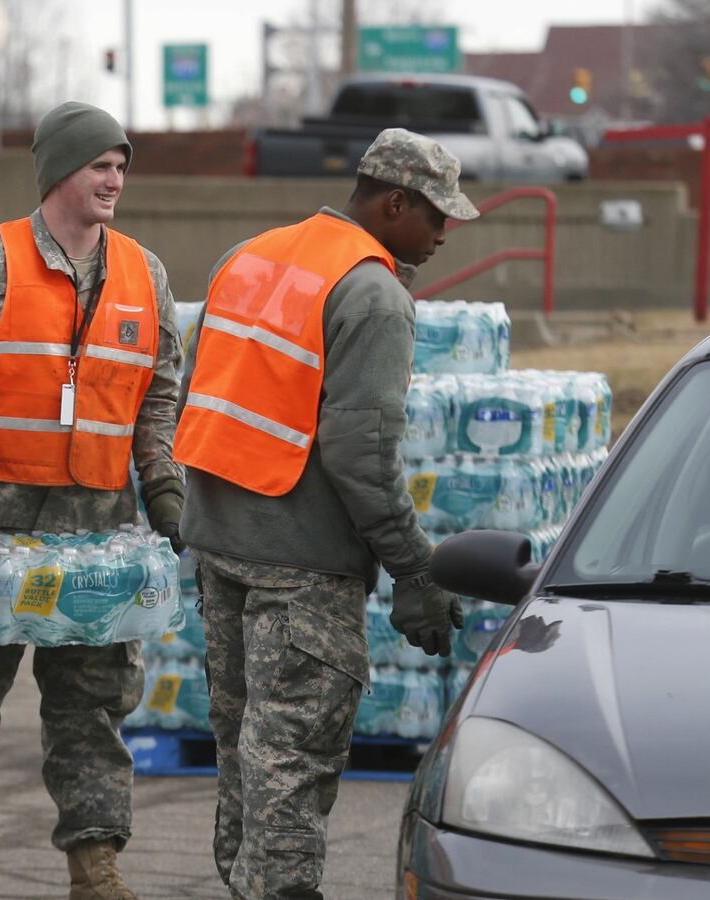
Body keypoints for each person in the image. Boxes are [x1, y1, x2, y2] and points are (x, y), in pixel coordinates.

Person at [172, 128, 474, 900]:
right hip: (301, 569)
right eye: (437, 214)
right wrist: (415, 568)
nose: (444, 233)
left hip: (221, 547)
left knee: (248, 754)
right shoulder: (374, 295)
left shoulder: (251, 256)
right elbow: (362, 456)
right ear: (393, 201)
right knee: (292, 764)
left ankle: (245, 887)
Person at [0, 101, 185, 900]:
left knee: (93, 707)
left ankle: (94, 865)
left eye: (121, 165)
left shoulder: (145, 273)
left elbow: (160, 393)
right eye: (100, 164)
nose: (115, 179)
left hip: (98, 532)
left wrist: (164, 486)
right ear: (58, 173)